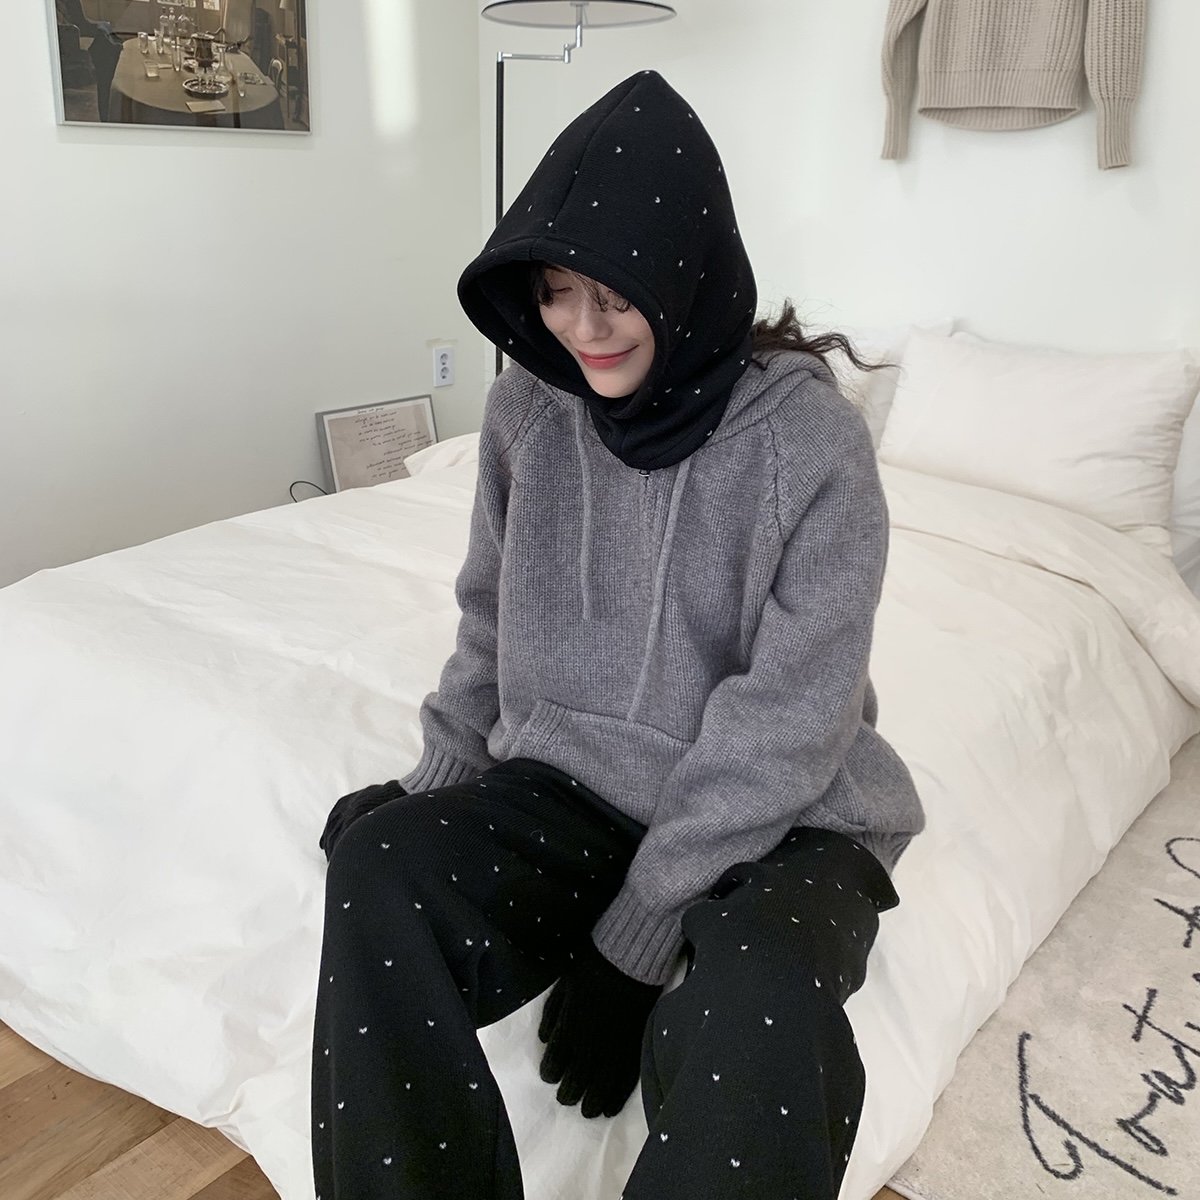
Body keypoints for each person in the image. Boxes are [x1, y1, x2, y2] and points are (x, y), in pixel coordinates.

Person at [311, 70, 924, 1200]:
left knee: (761, 999)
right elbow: (491, 614)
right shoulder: (528, 408)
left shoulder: (809, 444)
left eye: (614, 296)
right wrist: (438, 779)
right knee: (379, 868)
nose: (581, 330)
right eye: (554, 293)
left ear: (686, 275)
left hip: (790, 814)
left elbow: (792, 722)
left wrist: (642, 931)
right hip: (578, 784)